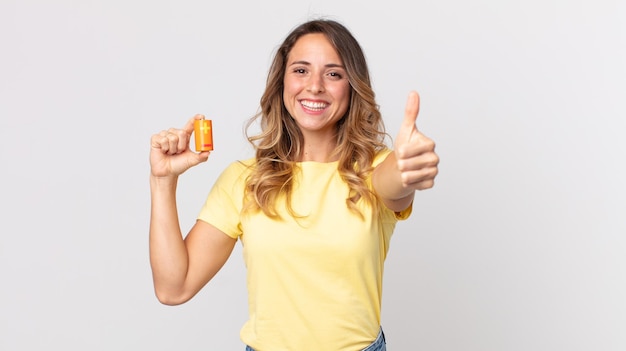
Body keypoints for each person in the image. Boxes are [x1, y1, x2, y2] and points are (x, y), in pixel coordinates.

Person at [149, 19, 439, 351]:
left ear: (352, 86)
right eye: (301, 70)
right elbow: (174, 288)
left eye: (333, 74)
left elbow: (394, 183)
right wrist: (162, 180)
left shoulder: (372, 169)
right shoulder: (245, 179)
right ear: (282, 82)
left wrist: (407, 168)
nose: (314, 86)